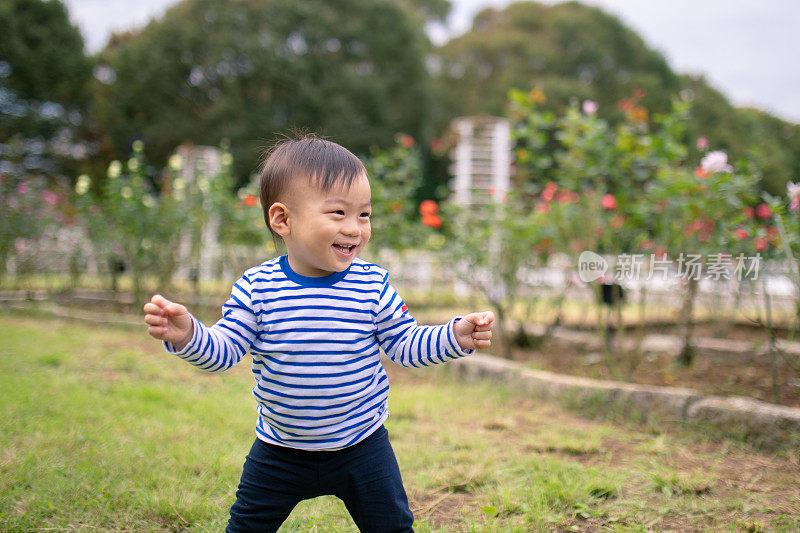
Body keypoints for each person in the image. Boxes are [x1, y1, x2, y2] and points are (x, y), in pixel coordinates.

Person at [143, 135, 495, 532]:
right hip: (279, 450)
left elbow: (405, 344)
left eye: (364, 215)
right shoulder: (258, 288)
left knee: (393, 526)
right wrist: (188, 335)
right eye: (338, 213)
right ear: (283, 220)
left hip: (362, 445)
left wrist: (454, 337)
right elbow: (223, 350)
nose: (355, 229)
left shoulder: (372, 285)